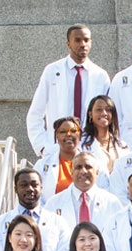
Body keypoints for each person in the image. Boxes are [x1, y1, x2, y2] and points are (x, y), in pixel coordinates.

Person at [27, 24, 110, 156]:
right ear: (68, 44)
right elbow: (35, 114)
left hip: (90, 150)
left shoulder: (101, 76)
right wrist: (42, 147)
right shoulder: (52, 71)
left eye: (86, 40)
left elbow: (107, 117)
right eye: (77, 40)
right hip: (57, 148)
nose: (83, 44)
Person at [0, 167, 73, 251]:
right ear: (15, 189)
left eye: (34, 185)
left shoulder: (57, 222)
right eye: (24, 185)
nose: (30, 189)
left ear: (41, 188)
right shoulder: (1, 223)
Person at [45, 152, 125, 231]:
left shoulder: (112, 202)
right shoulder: (53, 203)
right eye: (78, 167)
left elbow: (121, 235)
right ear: (72, 173)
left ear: (96, 173)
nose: (83, 171)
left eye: (88, 167)